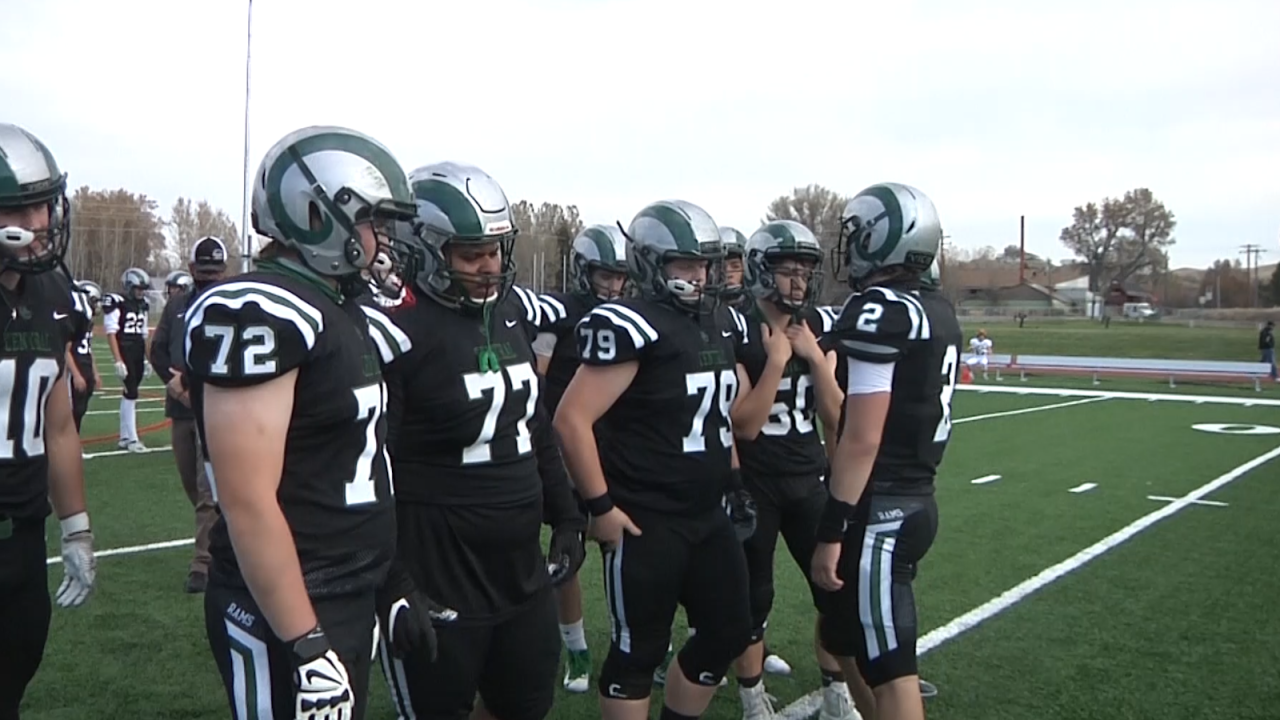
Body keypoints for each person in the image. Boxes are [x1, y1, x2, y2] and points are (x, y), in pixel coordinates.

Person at [184, 125, 419, 720]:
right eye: (373, 221)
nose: (382, 239)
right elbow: (247, 501)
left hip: (343, 590)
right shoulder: (258, 312)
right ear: (318, 216)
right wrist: (306, 642)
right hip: (286, 604)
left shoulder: (340, 308)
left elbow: (360, 462)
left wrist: (386, 582)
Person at [376, 161, 584, 720]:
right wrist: (394, 579)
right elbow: (374, 469)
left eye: (494, 251)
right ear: (420, 250)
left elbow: (535, 425)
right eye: (471, 254)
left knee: (525, 707)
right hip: (439, 571)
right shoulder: (395, 330)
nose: (489, 266)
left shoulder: (509, 310)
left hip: (519, 573)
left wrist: (566, 516)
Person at [554, 199, 756, 720]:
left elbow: (718, 417)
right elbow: (571, 419)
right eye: (684, 264)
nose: (700, 275)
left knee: (730, 628)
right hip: (648, 518)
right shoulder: (630, 323)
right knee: (638, 650)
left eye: (704, 263)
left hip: (707, 513)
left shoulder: (716, 321)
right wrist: (600, 507)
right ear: (651, 263)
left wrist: (733, 478)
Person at [811, 182, 961, 720]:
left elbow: (862, 434)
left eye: (856, 236)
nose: (849, 248)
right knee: (844, 631)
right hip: (917, 498)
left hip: (882, 511)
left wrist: (832, 529)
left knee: (892, 668)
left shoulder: (881, 310)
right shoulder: (937, 309)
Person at [727, 219, 861, 720]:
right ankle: (751, 698)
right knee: (753, 596)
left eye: (805, 270)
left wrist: (817, 362)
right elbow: (746, 425)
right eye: (788, 270)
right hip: (756, 481)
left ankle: (835, 692)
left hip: (809, 477)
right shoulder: (737, 325)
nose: (800, 281)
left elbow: (835, 413)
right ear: (763, 270)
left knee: (833, 590)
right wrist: (779, 361)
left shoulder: (817, 329)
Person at [0, 122, 97, 720]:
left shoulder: (49, 287)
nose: (40, 221)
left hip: (21, 539)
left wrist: (78, 529)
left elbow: (58, 423)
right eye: (22, 205)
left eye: (44, 202)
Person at [533, 223, 630, 693]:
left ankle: (630, 637)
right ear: (583, 272)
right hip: (566, 445)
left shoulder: (633, 317)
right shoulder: (561, 316)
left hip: (614, 445)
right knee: (567, 551)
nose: (613, 286)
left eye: (619, 277)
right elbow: (538, 378)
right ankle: (575, 647)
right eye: (605, 276)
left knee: (625, 548)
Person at [149, 237, 228, 593]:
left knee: (206, 485)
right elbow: (158, 349)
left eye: (216, 271)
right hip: (181, 405)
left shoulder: (233, 305)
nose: (209, 277)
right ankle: (220, 537)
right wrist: (173, 380)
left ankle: (203, 563)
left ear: (224, 271)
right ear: (192, 269)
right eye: (204, 270)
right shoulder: (177, 305)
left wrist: (199, 383)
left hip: (215, 406)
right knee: (191, 482)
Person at [105, 267, 151, 452]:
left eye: (143, 289)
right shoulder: (118, 302)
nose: (141, 292)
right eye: (138, 288)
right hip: (124, 348)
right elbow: (111, 332)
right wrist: (118, 359)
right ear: (129, 286)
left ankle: (124, 436)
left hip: (137, 350)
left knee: (130, 392)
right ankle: (132, 439)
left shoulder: (143, 304)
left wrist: (147, 359)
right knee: (131, 391)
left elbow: (144, 332)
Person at [67, 280, 103, 433]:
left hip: (85, 365)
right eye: (94, 301)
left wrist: (95, 373)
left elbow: (88, 348)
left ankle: (75, 440)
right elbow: (65, 350)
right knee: (71, 411)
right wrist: (76, 375)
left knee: (80, 411)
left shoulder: (88, 321)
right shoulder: (72, 320)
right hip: (75, 368)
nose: (97, 305)